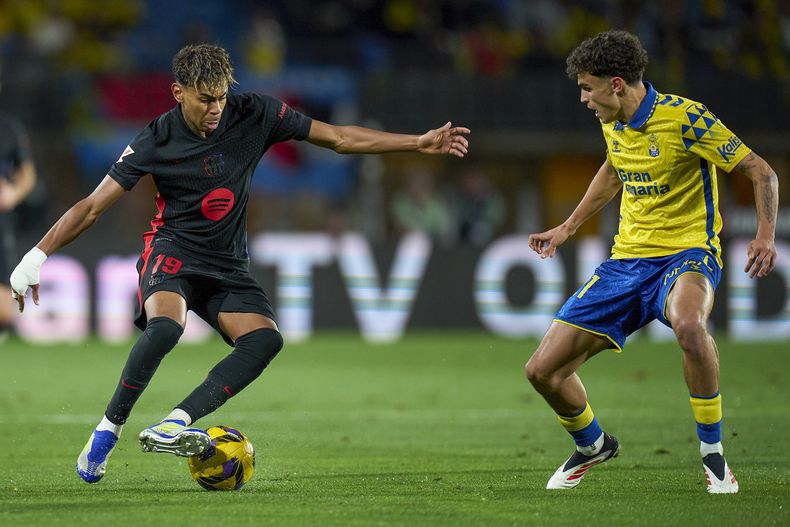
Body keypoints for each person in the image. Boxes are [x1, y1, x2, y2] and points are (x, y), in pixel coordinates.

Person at [9, 43, 470, 484]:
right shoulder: (154, 140)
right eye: (206, 99)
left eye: (222, 97)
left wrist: (418, 142)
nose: (216, 108)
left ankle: (174, 423)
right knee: (167, 328)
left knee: (265, 340)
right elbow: (92, 207)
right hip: (171, 252)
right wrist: (36, 256)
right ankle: (107, 430)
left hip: (227, 262)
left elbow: (341, 138)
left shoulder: (256, 113)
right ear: (179, 93)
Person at [525, 30, 777, 494]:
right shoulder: (611, 119)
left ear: (615, 84)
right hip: (626, 263)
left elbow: (759, 169)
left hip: (687, 253)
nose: (583, 98)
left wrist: (765, 234)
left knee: (688, 325)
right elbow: (613, 169)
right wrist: (567, 227)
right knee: (542, 371)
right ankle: (593, 444)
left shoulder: (686, 118)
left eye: (586, 87)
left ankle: (713, 454)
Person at [0, 62, 38, 341]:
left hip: (1, 222)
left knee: (5, 312)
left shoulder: (9, 129)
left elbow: (27, 174)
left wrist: (13, 193)